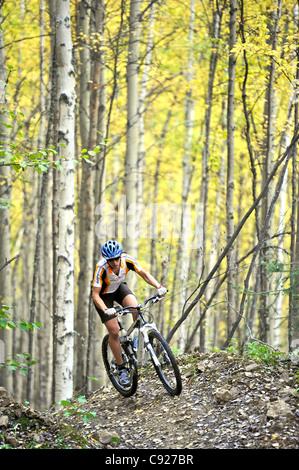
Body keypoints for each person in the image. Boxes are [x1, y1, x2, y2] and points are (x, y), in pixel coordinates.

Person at [92, 239, 167, 387]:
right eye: (110, 260)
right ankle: (121, 369)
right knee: (114, 332)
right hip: (103, 297)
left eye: (116, 258)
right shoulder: (101, 268)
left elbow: (144, 274)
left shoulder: (128, 261)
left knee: (136, 308)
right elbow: (95, 295)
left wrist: (159, 286)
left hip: (119, 289)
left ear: (121, 255)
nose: (114, 263)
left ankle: (136, 340)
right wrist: (106, 310)